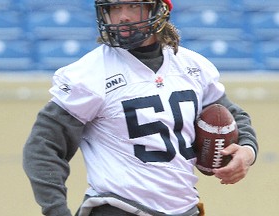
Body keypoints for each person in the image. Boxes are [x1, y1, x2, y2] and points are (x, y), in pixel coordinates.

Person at [23, 0, 258, 215]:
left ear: (159, 9)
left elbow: (232, 115)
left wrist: (247, 150)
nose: (122, 16)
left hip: (185, 207)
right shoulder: (88, 74)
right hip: (118, 207)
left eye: (133, 6)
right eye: (114, 8)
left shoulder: (192, 65)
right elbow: (42, 147)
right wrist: (56, 210)